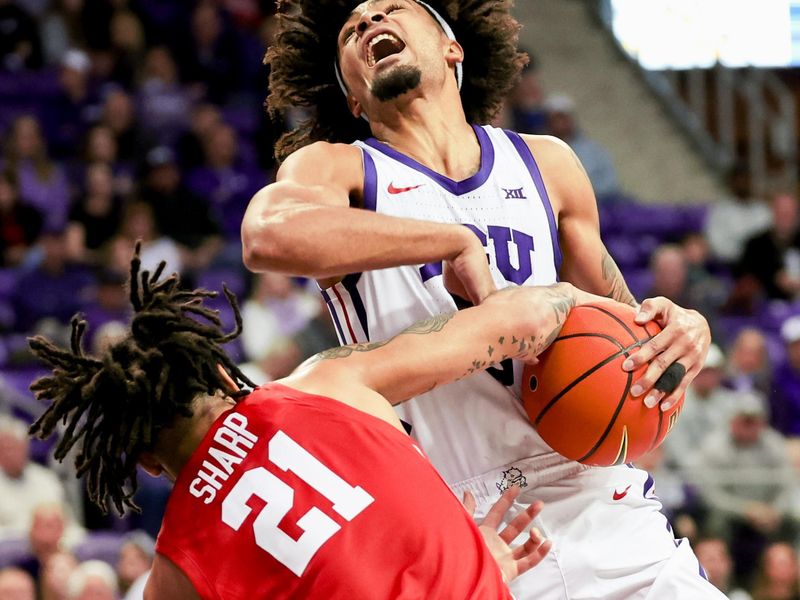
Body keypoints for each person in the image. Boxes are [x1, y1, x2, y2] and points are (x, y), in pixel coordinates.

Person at [242, 1, 713, 598]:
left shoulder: (547, 163)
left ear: (451, 47)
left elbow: (622, 324)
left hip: (602, 500)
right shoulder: (341, 169)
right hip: (465, 521)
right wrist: (450, 239)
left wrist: (683, 333)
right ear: (353, 99)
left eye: (391, 8)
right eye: (350, 29)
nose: (367, 22)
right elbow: (268, 235)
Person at [28, 247, 595, 598]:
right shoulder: (327, 381)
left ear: (146, 461)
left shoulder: (175, 575)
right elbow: (516, 320)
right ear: (226, 378)